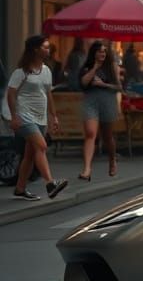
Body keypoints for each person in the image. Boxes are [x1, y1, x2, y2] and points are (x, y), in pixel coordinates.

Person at [5, 34, 66, 200]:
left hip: (40, 117)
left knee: (30, 155)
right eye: (45, 47)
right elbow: (10, 95)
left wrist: (54, 116)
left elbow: (48, 94)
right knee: (42, 146)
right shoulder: (21, 72)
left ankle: (20, 188)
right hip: (24, 115)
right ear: (35, 49)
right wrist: (14, 116)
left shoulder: (46, 70)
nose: (48, 50)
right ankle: (50, 184)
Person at [78, 41, 122, 179]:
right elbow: (84, 83)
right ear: (94, 53)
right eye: (99, 51)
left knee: (108, 136)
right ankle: (87, 169)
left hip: (107, 101)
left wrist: (103, 84)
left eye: (104, 51)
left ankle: (112, 160)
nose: (102, 53)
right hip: (90, 101)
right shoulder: (87, 67)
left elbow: (119, 87)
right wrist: (95, 68)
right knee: (90, 133)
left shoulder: (112, 66)